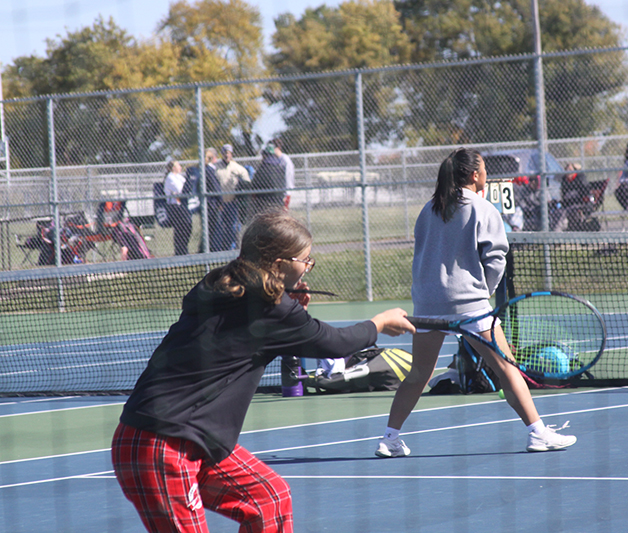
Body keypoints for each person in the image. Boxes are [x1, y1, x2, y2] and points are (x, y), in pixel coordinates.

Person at [112, 210, 414, 533]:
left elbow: (259, 334)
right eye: (305, 260)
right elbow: (336, 343)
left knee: (270, 499)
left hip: (190, 440)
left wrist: (292, 312)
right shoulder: (273, 309)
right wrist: (380, 322)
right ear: (280, 263)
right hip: (161, 445)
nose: (308, 267)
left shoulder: (220, 284)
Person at [374, 148, 576, 458]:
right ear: (474, 176)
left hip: (427, 305)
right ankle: (537, 433)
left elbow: (422, 256)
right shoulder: (483, 208)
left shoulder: (428, 208)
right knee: (508, 368)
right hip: (471, 305)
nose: (486, 174)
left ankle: (389, 438)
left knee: (419, 374)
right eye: (484, 169)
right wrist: (483, 293)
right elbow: (496, 259)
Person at [216, 144, 251, 251]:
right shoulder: (216, 167)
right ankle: (222, 250)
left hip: (233, 202)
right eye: (225, 152)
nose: (227, 155)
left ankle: (234, 249)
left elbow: (247, 182)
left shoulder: (237, 168)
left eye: (229, 152)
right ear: (221, 154)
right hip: (221, 203)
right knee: (220, 227)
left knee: (234, 228)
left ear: (231, 154)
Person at [247, 145, 287, 223]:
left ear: (265, 155)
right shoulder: (280, 168)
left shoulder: (262, 169)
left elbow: (255, 186)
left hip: (263, 204)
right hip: (278, 203)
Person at [164, 160, 192, 256]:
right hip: (175, 207)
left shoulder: (179, 177)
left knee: (188, 227)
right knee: (180, 229)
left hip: (182, 206)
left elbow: (187, 189)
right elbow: (181, 190)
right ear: (173, 168)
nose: (180, 167)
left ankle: (184, 249)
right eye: (178, 165)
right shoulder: (170, 178)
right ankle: (180, 252)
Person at [203, 148, 225, 252]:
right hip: (213, 205)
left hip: (210, 204)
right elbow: (216, 188)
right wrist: (221, 201)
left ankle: (205, 249)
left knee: (210, 228)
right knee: (214, 228)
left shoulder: (207, 170)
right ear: (214, 158)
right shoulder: (210, 171)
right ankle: (211, 250)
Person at [271, 138, 295, 209]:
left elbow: (288, 177)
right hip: (277, 192)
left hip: (284, 193)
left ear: (278, 148)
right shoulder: (273, 159)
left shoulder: (285, 160)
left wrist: (287, 193)